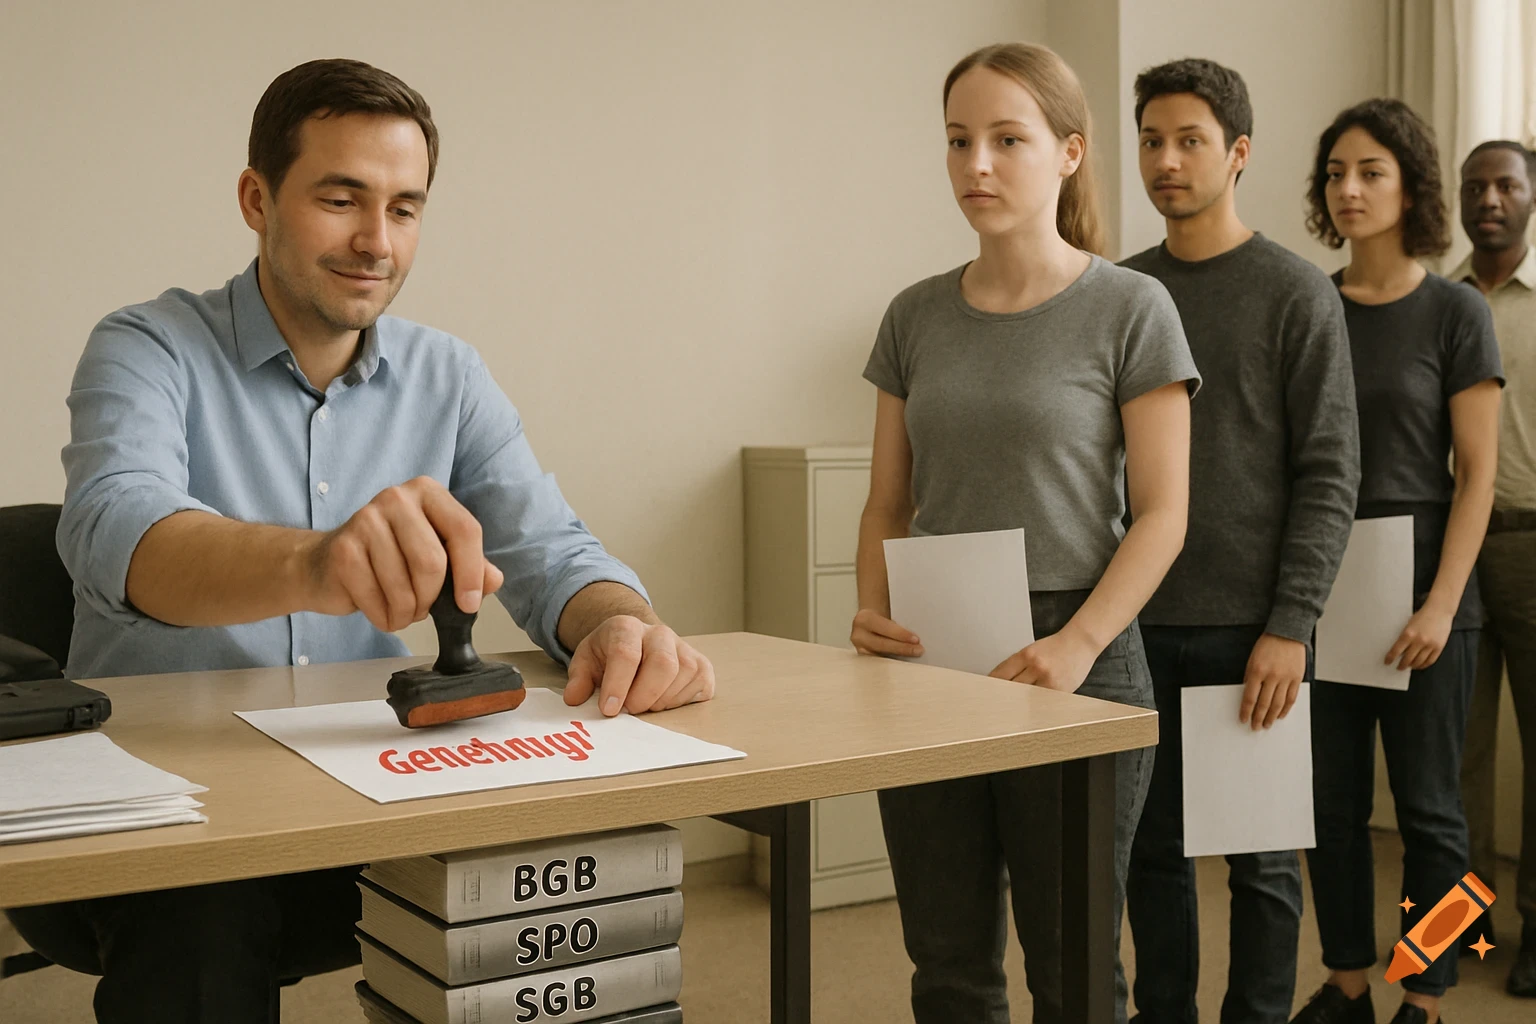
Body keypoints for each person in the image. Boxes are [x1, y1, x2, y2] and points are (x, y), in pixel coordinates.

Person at [8, 59, 715, 1024]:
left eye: (406, 208)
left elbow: (552, 549)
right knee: (207, 927)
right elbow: (115, 528)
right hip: (176, 810)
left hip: (367, 791)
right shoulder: (149, 345)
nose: (376, 242)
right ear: (257, 198)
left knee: (555, 883)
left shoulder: (449, 375)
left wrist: (622, 620)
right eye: (341, 199)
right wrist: (312, 561)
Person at [851, 41, 1199, 1024]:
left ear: (1071, 153)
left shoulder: (1132, 308)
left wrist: (1076, 646)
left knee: (1077, 968)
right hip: (931, 654)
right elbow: (887, 501)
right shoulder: (912, 315)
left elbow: (1166, 513)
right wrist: (873, 613)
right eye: (960, 141)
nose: (977, 166)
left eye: (1008, 139)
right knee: (948, 964)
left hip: (1078, 651)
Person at [1119, 59, 1361, 1024]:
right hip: (1136, 624)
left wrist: (1291, 624)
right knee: (1152, 852)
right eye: (1151, 141)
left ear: (1239, 153)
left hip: (1251, 628)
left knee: (1260, 860)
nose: (1166, 161)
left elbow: (1330, 475)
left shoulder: (1297, 293)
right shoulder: (1121, 292)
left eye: (1189, 141)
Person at [1291, 99, 1503, 1024]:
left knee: (1433, 815)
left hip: (1427, 595)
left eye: (1371, 171)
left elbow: (1477, 478)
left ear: (1410, 185)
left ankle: (1426, 993)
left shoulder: (1457, 311)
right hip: (1323, 586)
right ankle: (1346, 985)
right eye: (1337, 171)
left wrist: (1440, 606)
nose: (1349, 188)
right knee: (1328, 808)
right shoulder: (1308, 304)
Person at [1452, 139, 1536, 998]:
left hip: (1535, 546)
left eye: (1506, 184)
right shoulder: (1438, 301)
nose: (1489, 198)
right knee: (1455, 753)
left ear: (1532, 197)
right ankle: (1459, 926)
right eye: (1476, 184)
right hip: (1452, 554)